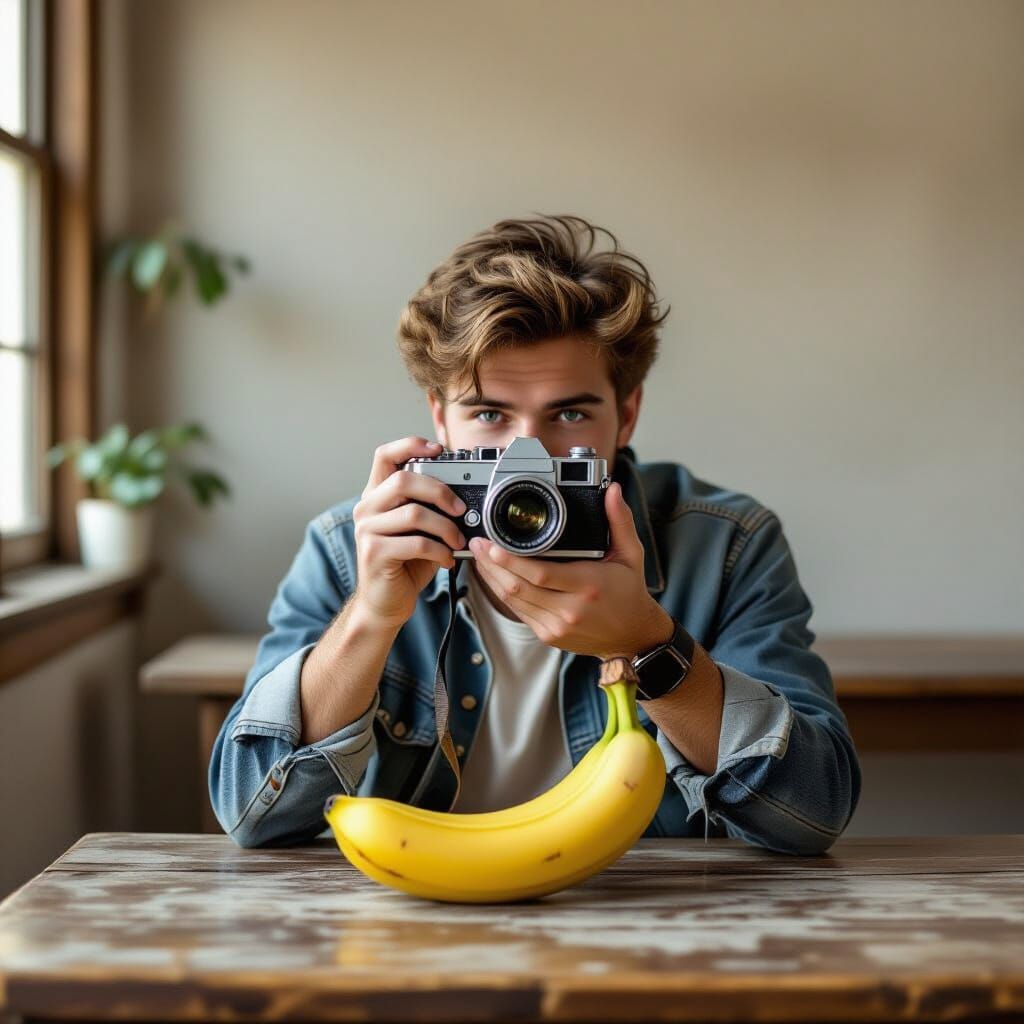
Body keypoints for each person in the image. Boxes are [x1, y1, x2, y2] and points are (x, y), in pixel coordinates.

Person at [209, 214, 860, 854]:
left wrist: (651, 647)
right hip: (420, 903)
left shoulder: (725, 548)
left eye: (569, 413)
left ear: (626, 415)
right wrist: (372, 616)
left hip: (657, 916)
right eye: (489, 414)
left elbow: (814, 811)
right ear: (439, 417)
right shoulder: (353, 548)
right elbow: (249, 815)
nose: (529, 456)